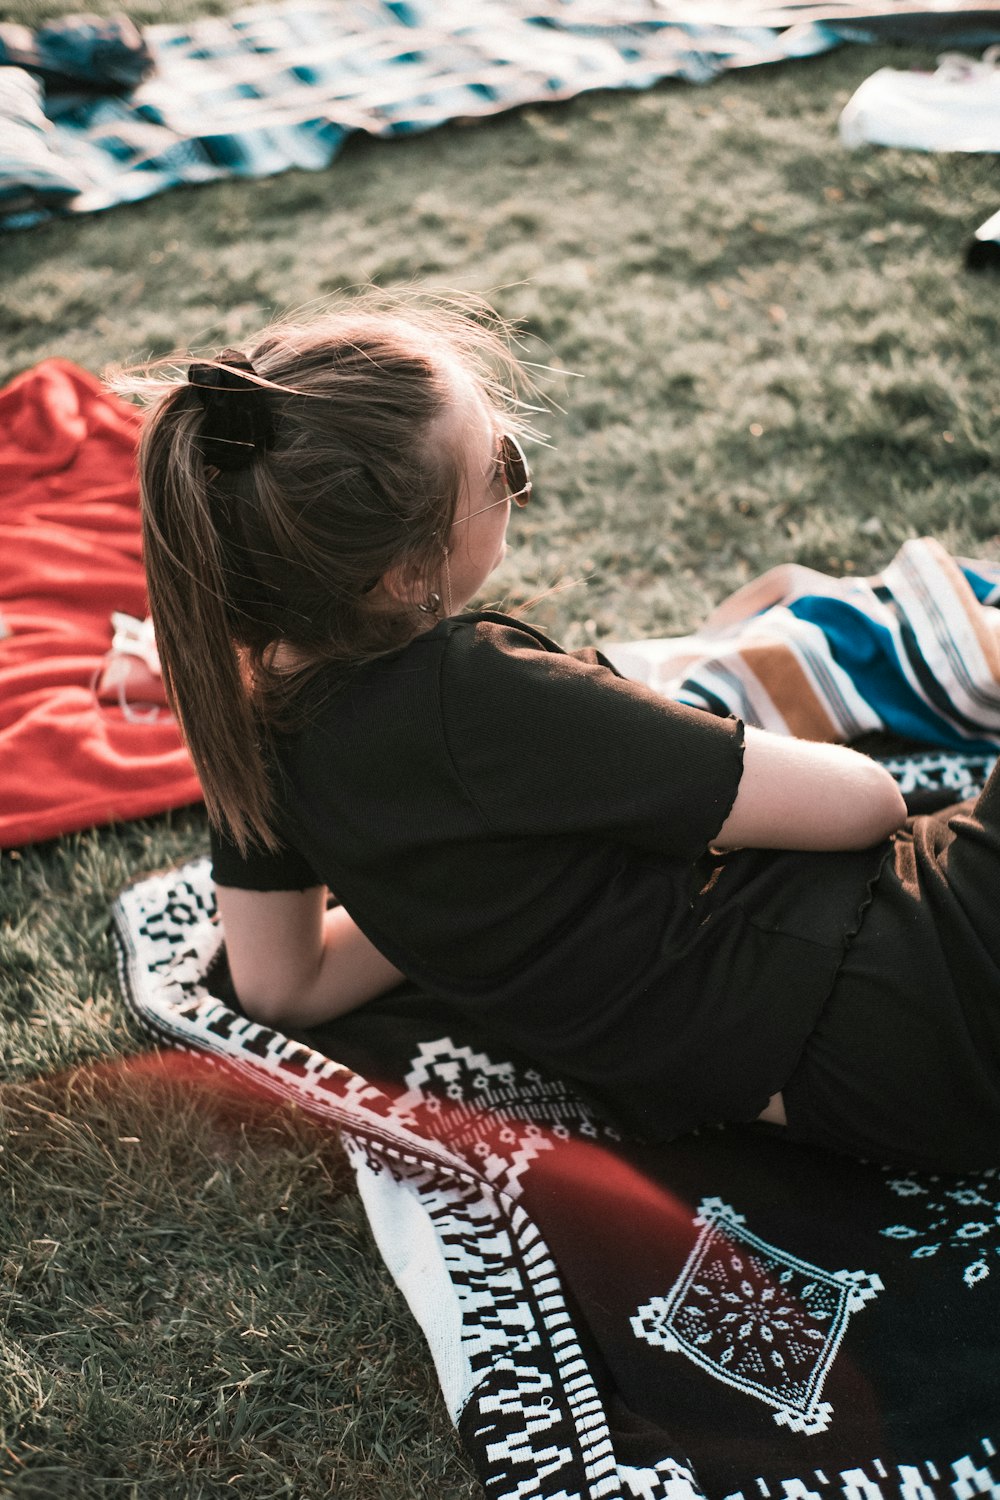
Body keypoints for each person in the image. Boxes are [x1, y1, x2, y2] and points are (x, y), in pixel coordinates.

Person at [129, 291, 1000, 1174]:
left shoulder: (256, 729)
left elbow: (286, 984)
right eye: (502, 467)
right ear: (402, 576)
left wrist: (453, 907)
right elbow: (865, 802)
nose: (518, 483)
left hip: (865, 1092)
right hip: (928, 980)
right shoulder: (474, 693)